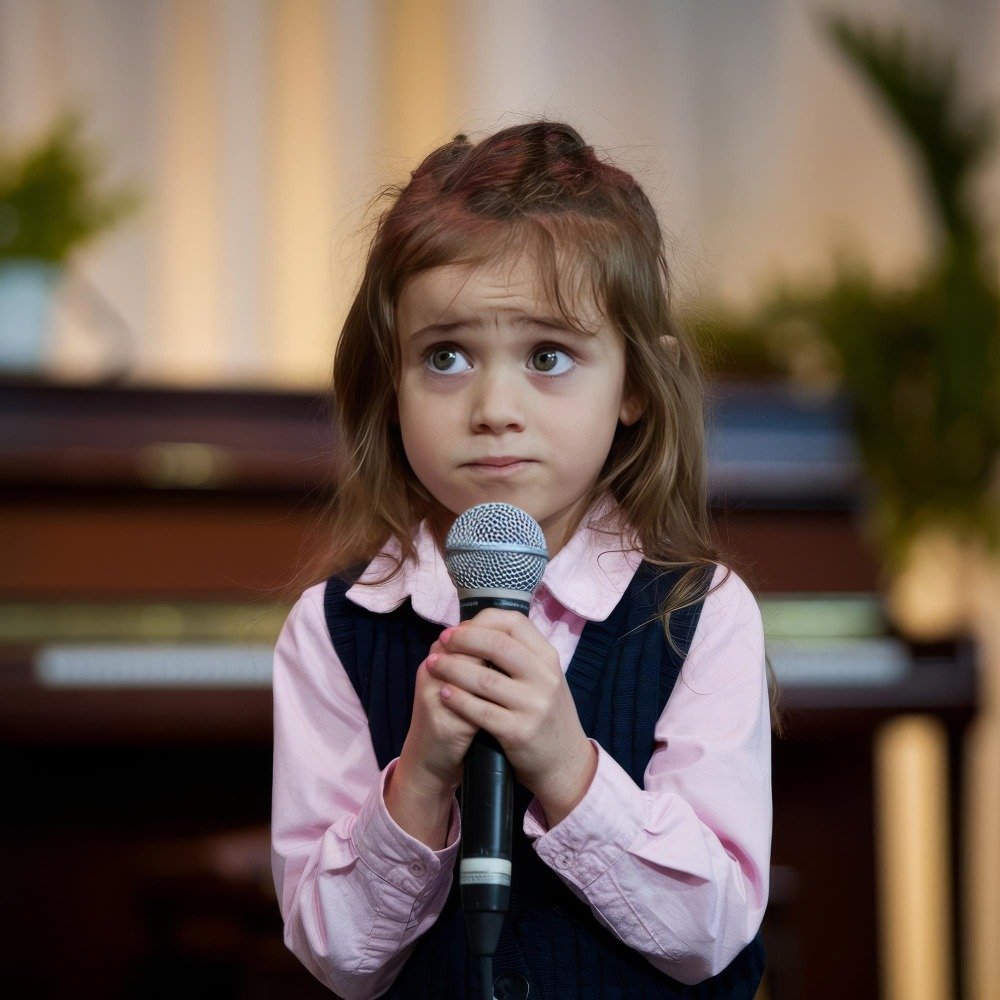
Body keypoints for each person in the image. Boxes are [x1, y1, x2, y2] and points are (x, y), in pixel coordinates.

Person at [271, 121, 780, 1000]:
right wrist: (420, 779)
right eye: (446, 356)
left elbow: (713, 933)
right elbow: (339, 960)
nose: (494, 407)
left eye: (548, 356)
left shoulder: (701, 612)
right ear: (390, 384)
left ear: (634, 382)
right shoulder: (335, 628)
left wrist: (567, 768)